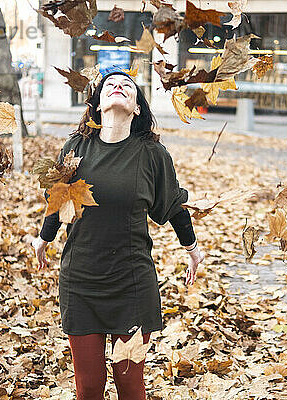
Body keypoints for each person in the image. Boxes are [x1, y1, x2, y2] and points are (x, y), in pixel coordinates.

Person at [31, 70, 205, 400]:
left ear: (137, 108)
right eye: (109, 85)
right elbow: (58, 197)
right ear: (97, 103)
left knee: (129, 384)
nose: (118, 87)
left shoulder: (152, 154)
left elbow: (171, 203)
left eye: (127, 86)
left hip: (132, 284)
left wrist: (192, 247)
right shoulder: (76, 147)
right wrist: (44, 238)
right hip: (81, 281)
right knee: (90, 386)